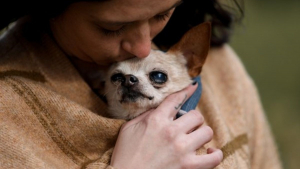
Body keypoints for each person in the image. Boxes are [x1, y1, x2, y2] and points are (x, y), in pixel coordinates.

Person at [0, 0, 282, 169]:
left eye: (161, 14)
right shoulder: (8, 110)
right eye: (112, 27)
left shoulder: (220, 65)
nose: (143, 47)